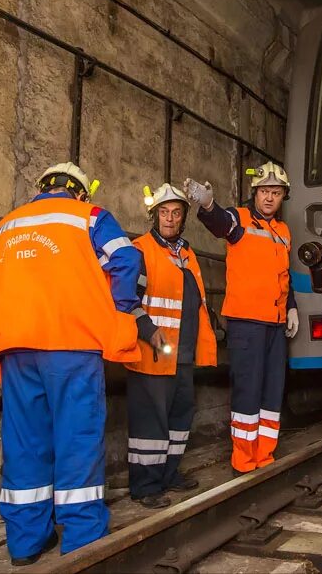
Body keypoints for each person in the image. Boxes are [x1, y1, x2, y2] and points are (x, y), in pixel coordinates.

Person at [0, 162, 141, 565]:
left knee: (24, 442)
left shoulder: (3, 228)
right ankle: (83, 537)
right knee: (76, 438)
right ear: (81, 192)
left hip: (15, 347)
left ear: (41, 188)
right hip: (71, 343)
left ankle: (25, 542)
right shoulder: (90, 217)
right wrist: (119, 312)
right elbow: (127, 261)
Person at [183, 162, 298, 475]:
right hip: (247, 321)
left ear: (282, 196)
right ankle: (244, 460)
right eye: (264, 192)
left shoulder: (284, 232)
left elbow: (283, 275)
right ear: (255, 193)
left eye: (276, 193)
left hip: (274, 323)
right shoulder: (240, 219)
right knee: (248, 388)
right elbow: (221, 222)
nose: (269, 198)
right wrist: (208, 204)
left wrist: (291, 307)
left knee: (272, 389)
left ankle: (265, 455)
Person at [125, 183, 218, 508]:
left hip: (182, 355)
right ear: (155, 216)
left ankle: (169, 474)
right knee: (151, 421)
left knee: (180, 416)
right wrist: (148, 329)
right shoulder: (140, 251)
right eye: (163, 213)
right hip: (153, 354)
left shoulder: (186, 254)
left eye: (176, 213)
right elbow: (126, 300)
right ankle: (146, 486)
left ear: (183, 218)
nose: (169, 218)